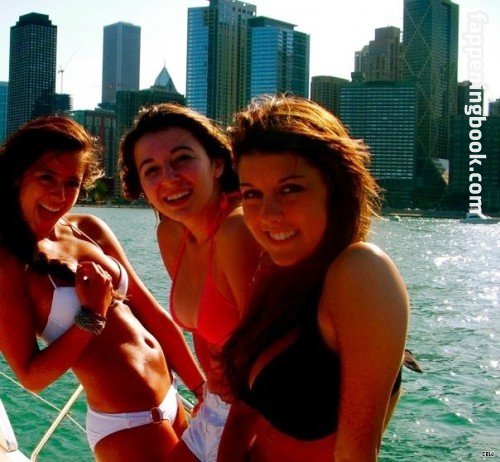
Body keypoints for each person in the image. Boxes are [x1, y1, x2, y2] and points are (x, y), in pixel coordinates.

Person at [0, 116, 206, 462]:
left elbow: (151, 313)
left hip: (170, 396)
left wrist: (201, 388)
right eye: (46, 177)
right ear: (18, 175)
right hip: (129, 424)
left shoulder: (88, 228)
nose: (60, 195)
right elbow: (31, 376)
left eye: (72, 183)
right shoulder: (8, 265)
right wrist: (91, 316)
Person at [218, 95, 410, 462]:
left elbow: (355, 454)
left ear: (336, 189)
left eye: (290, 188)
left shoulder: (361, 271)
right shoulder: (276, 272)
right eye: (252, 194)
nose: (268, 214)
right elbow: (242, 415)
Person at [119, 103, 262, 461]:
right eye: (151, 170)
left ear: (217, 164)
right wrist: (207, 388)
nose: (168, 178)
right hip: (216, 405)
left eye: (182, 159)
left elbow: (268, 354)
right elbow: (205, 326)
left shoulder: (238, 229)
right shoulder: (172, 234)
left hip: (258, 415)